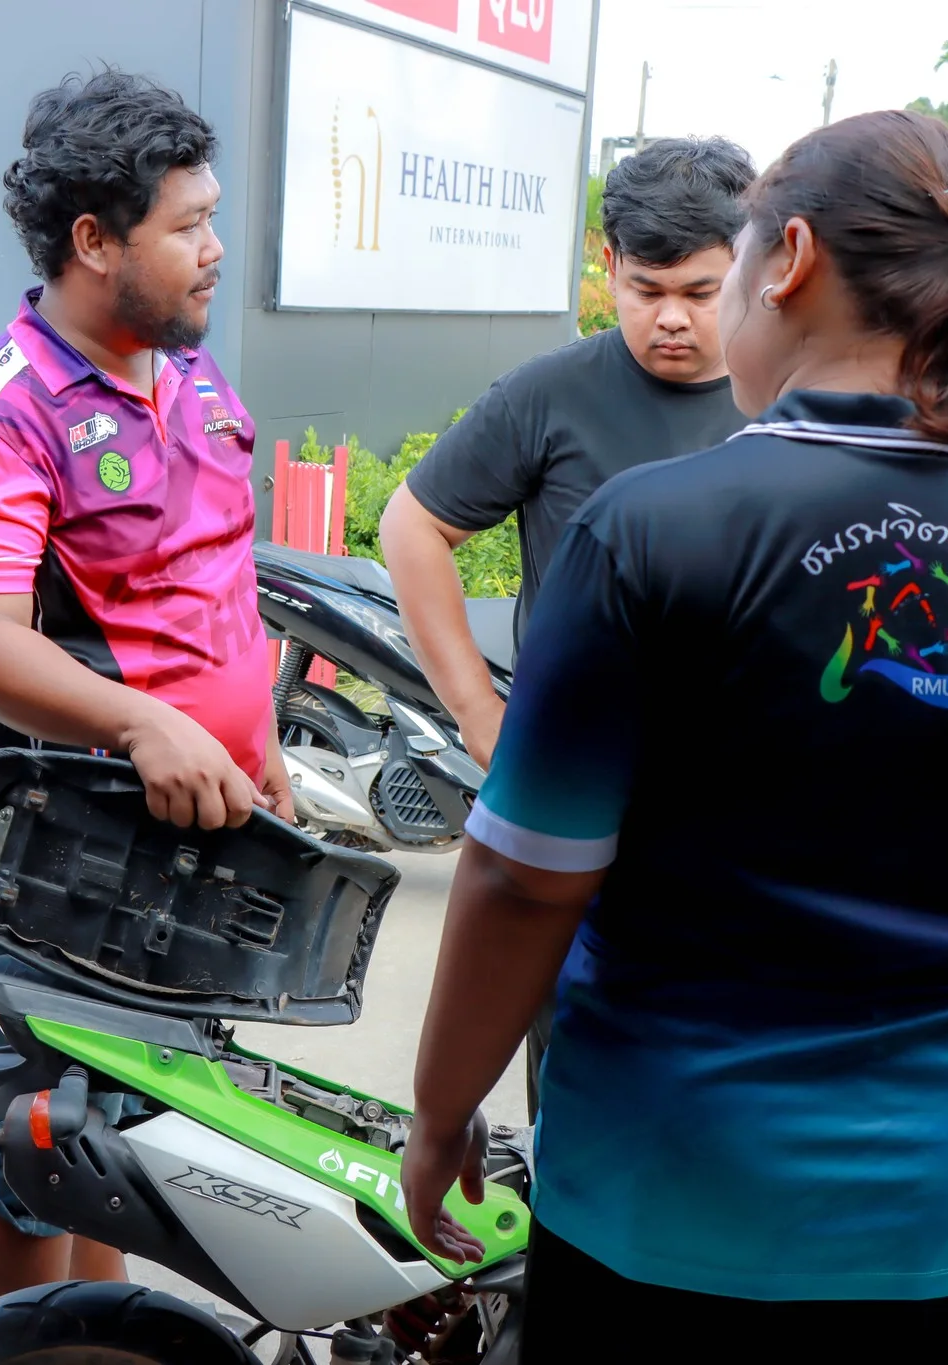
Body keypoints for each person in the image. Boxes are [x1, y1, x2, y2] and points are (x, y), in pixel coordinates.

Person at [398, 110, 948, 1364]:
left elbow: (521, 878)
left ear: (788, 260)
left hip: (661, 1189)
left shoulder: (645, 534)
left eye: (723, 272)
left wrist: (441, 1108)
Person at [0, 70, 288, 1302]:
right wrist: (145, 722)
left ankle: (99, 1331)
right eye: (188, 225)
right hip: (69, 856)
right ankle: (28, 1341)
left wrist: (260, 736)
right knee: (42, 1142)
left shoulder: (192, 378)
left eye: (212, 218)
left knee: (121, 1140)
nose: (214, 250)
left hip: (202, 836)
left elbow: (219, 583)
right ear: (93, 240)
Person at [379, 135, 754, 1117]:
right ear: (609, 266)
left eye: (701, 292)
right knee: (574, 1069)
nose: (670, 317)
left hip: (739, 816)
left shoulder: (789, 401)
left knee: (719, 1074)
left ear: (752, 266)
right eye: (644, 289)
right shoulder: (552, 394)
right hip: (576, 800)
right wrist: (477, 713)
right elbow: (413, 526)